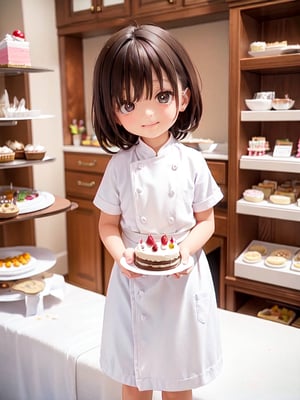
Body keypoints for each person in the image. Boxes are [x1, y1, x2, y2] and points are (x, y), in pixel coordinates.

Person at [92, 23, 223, 400]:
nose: (148, 113)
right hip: (133, 281)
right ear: (115, 112)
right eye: (130, 104)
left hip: (182, 281)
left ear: (182, 98)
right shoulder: (119, 165)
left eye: (161, 96)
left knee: (179, 375)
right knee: (134, 376)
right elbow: (107, 224)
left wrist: (185, 252)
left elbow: (206, 222)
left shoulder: (194, 161)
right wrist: (123, 256)